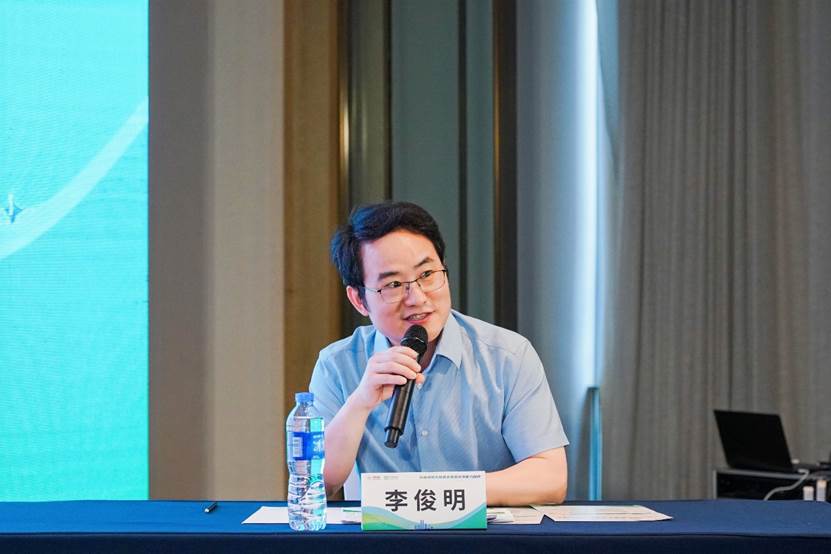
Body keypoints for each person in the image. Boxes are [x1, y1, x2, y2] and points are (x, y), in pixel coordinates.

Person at [309, 201, 568, 505]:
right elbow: (316, 483)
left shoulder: (508, 356)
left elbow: (550, 477)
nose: (417, 298)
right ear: (359, 300)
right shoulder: (337, 365)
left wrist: (439, 493)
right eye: (393, 284)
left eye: (427, 274)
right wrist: (360, 402)